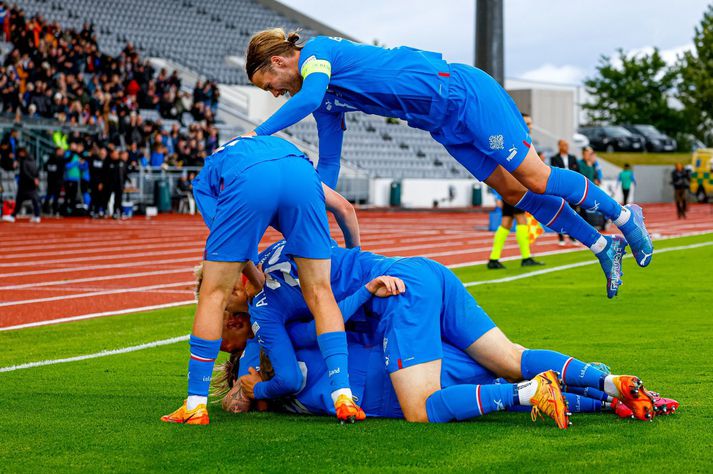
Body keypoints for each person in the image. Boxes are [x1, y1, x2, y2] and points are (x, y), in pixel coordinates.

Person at [243, 30, 654, 298]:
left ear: (278, 62)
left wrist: (257, 135)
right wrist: (318, 201)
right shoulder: (327, 99)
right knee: (513, 192)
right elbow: (329, 159)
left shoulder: (317, 54)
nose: (276, 94)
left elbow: (308, 96)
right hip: (443, 124)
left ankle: (623, 215)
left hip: (464, 94)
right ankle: (603, 245)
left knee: (535, 177)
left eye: (269, 86)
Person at [228, 239, 659, 425]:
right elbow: (343, 211)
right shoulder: (280, 255)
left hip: (397, 292)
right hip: (421, 271)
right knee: (509, 357)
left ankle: (530, 393)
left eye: (224, 309)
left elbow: (301, 363)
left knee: (422, 408)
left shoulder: (267, 316)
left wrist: (252, 392)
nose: (227, 320)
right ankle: (609, 387)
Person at [161, 135, 364, 426]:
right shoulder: (274, 149)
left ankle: (195, 404)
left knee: (212, 295)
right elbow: (345, 209)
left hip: (249, 179)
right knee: (321, 295)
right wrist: (354, 255)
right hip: (299, 172)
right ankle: (343, 395)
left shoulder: (205, 180)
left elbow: (238, 247)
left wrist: (255, 281)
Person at [487, 112, 544, 269]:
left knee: (506, 222)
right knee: (520, 220)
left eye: (531, 123)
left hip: (516, 187)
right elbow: (499, 164)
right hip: (513, 187)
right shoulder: (512, 138)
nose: (530, 126)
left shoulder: (525, 140)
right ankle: (526, 257)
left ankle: (493, 259)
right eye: (527, 123)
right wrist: (497, 193)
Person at [550, 140, 580, 246]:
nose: (566, 147)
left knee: (573, 213)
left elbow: (578, 172)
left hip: (571, 189)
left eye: (567, 145)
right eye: (563, 145)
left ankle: (572, 237)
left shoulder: (573, 158)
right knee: (560, 212)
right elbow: (554, 172)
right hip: (560, 188)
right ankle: (561, 237)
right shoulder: (554, 158)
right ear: (559, 146)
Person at [2, 147, 40, 222]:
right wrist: (35, 179)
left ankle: (13, 216)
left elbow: (25, 173)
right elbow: (36, 171)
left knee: (20, 200)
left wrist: (32, 179)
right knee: (35, 200)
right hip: (32, 184)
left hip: (25, 184)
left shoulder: (23, 161)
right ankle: (37, 216)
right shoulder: (32, 161)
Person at [42, 146, 64, 216]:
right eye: (60, 151)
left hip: (54, 180)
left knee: (54, 195)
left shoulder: (52, 159)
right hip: (54, 180)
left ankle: (50, 209)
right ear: (57, 151)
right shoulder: (55, 159)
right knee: (51, 195)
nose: (62, 152)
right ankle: (49, 209)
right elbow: (46, 167)